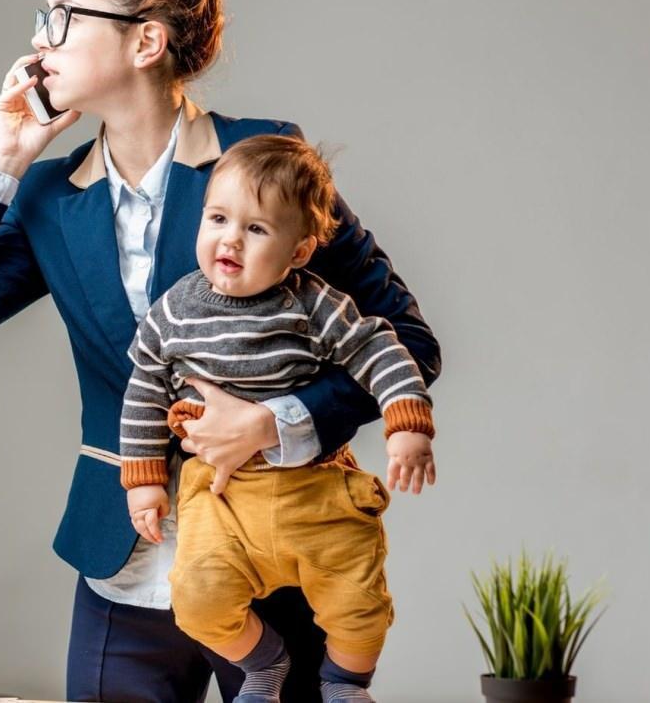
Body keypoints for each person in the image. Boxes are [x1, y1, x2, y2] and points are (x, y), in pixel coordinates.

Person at [0, 0, 441, 700]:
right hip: (127, 561)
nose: (40, 43)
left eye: (61, 17)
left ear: (145, 42)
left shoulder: (266, 162)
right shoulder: (51, 196)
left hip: (277, 557)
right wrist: (5, 158)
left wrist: (279, 420)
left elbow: (409, 342)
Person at [121, 136, 436, 703]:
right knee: (196, 599)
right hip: (221, 497)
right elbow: (143, 388)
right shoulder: (173, 311)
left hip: (316, 487)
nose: (230, 239)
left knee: (361, 604)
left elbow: (382, 347)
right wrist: (144, 481)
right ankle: (265, 664)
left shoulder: (314, 304)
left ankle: (344, 685)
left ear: (298, 252)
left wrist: (407, 421)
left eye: (257, 229)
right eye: (218, 218)